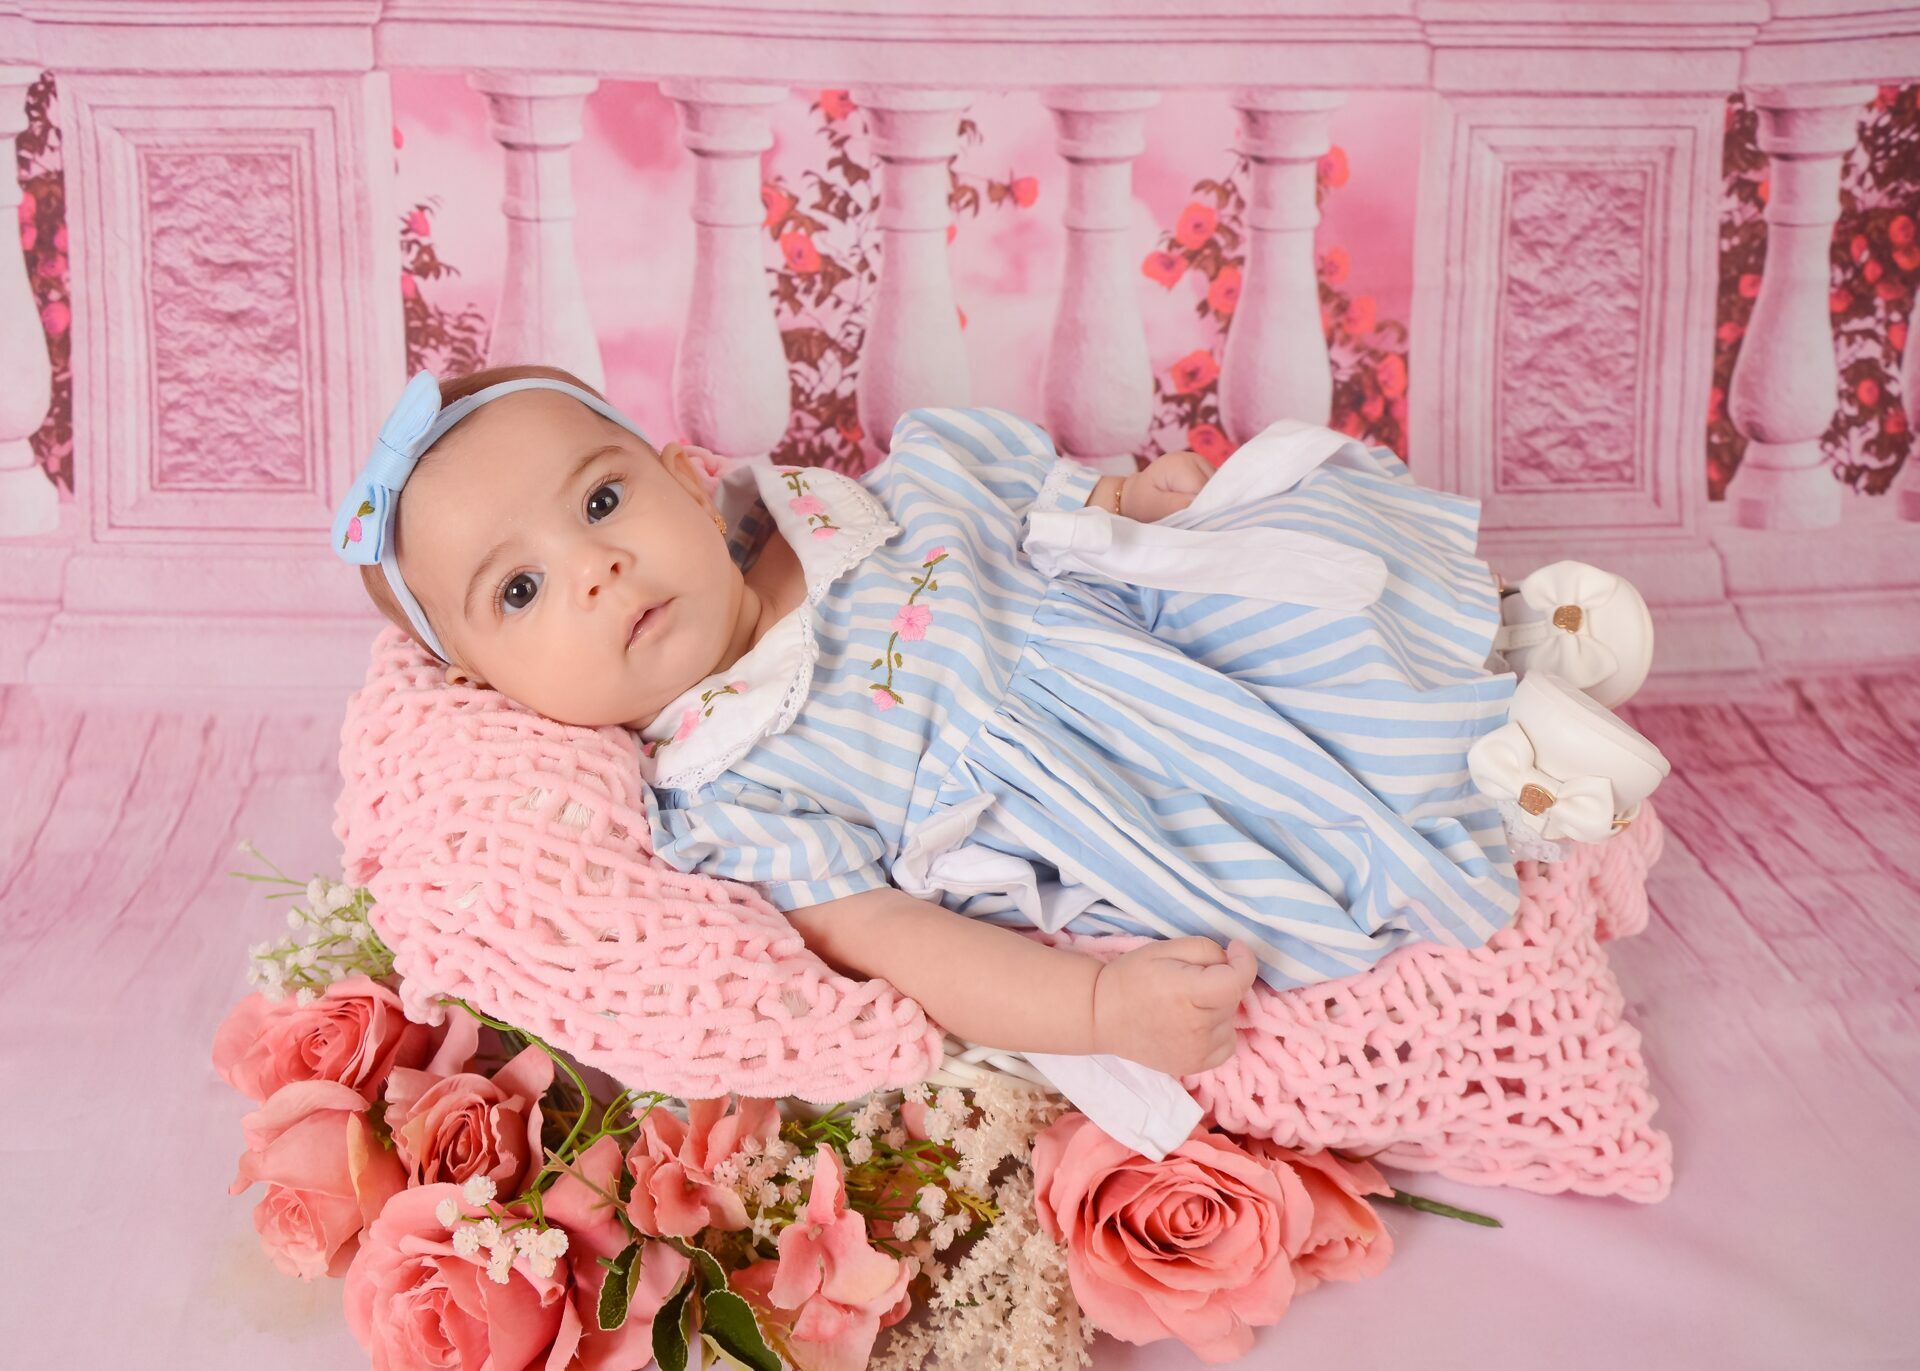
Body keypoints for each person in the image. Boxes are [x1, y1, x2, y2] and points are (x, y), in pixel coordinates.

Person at [336, 364, 1666, 1085]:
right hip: (1133, 769)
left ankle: (1501, 628)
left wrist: (1131, 502)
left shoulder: (857, 504)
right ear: (499, 697)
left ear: (686, 480)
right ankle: (1518, 775)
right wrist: (1096, 1005)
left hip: (1150, 619)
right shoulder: (737, 794)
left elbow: (1039, 500)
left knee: (1283, 565)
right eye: (520, 591)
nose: (594, 568)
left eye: (601, 501)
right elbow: (893, 937)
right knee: (1293, 806)